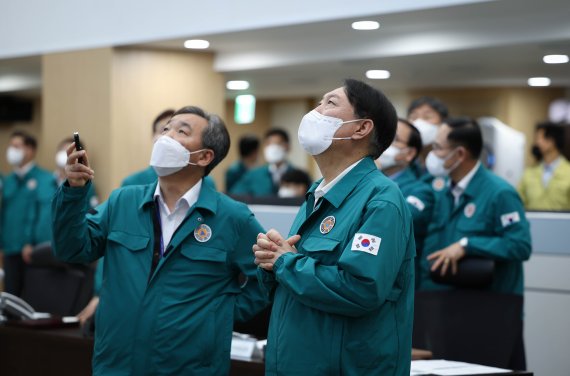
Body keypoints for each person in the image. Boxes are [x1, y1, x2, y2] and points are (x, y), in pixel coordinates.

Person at [52, 106, 269, 375]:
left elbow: (266, 278)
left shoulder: (232, 217)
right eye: (166, 128)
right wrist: (74, 193)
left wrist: (219, 315)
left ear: (204, 157)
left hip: (188, 367)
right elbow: (72, 249)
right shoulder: (123, 201)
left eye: (181, 131)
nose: (165, 137)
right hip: (117, 363)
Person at [254, 79, 415, 375]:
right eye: (318, 102)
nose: (316, 111)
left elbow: (361, 288)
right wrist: (271, 263)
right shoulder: (319, 193)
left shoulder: (381, 200)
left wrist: (286, 262)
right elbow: (299, 276)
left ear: (361, 128)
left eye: (330, 103)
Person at [419, 117, 531, 369]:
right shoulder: (441, 190)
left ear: (460, 153)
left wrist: (468, 244)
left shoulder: (499, 193)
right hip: (449, 304)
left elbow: (520, 245)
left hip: (493, 309)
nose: (433, 155)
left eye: (437, 148)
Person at [376, 118, 434, 284]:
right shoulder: (366, 182)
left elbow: (393, 222)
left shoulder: (420, 191)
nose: (383, 143)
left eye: (394, 139)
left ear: (409, 154)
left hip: (398, 280)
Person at [0, 131, 57, 296]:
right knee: (11, 296)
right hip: (10, 248)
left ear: (30, 150)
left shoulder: (46, 179)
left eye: (17, 146)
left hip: (34, 250)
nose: (11, 150)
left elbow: (42, 214)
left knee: (35, 296)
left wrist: (30, 242)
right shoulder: (8, 181)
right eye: (10, 146)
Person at [518, 122, 570, 211]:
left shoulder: (568, 172)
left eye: (540, 138)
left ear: (552, 140)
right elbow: (519, 203)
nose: (537, 142)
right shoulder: (529, 173)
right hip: (534, 223)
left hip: (563, 224)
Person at [229, 128, 294, 196]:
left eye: (277, 143)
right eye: (268, 144)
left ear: (288, 146)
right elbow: (235, 195)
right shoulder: (253, 175)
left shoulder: (298, 176)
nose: (272, 148)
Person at [121, 109, 175, 187]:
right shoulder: (132, 183)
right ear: (153, 136)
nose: (169, 136)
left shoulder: (192, 181)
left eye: (180, 131)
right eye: (164, 130)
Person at [407, 96, 449, 178]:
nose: (419, 123)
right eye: (413, 117)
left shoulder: (451, 160)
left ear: (443, 123)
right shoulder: (405, 161)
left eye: (427, 117)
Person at [55, 137, 99, 209]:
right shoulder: (46, 182)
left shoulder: (85, 186)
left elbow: (92, 212)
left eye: (70, 152)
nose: (65, 155)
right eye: (62, 151)